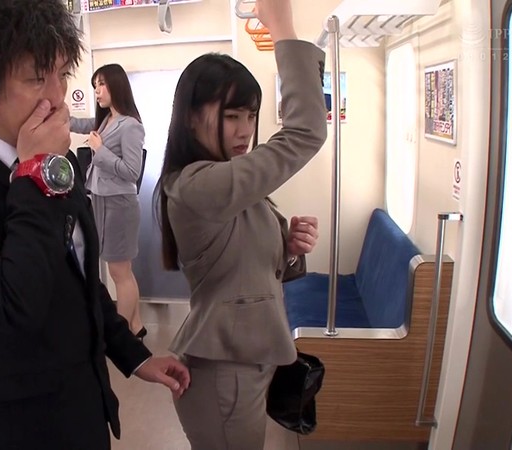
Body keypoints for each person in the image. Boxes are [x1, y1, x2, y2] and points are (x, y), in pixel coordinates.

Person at [0, 1, 189, 449]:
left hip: (85, 412)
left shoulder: (58, 161)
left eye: (62, 74)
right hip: (12, 429)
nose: (58, 97)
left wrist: (135, 356)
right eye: (35, 78)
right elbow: (12, 305)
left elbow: (79, 279)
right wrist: (34, 172)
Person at [155, 0, 327, 447]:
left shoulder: (228, 181)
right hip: (223, 372)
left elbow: (244, 266)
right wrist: (281, 24)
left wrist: (288, 247)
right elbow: (306, 132)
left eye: (250, 115)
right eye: (232, 116)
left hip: (245, 359)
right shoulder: (197, 184)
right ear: (191, 117)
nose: (245, 129)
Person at [70, 64, 146, 338]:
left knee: (118, 271)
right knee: (121, 270)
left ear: (116, 85)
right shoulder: (107, 120)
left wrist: (100, 151)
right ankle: (135, 326)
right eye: (95, 86)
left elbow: (132, 171)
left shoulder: (131, 125)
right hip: (102, 199)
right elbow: (80, 124)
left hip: (119, 203)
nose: (97, 91)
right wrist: (58, 113)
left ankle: (122, 335)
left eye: (101, 84)